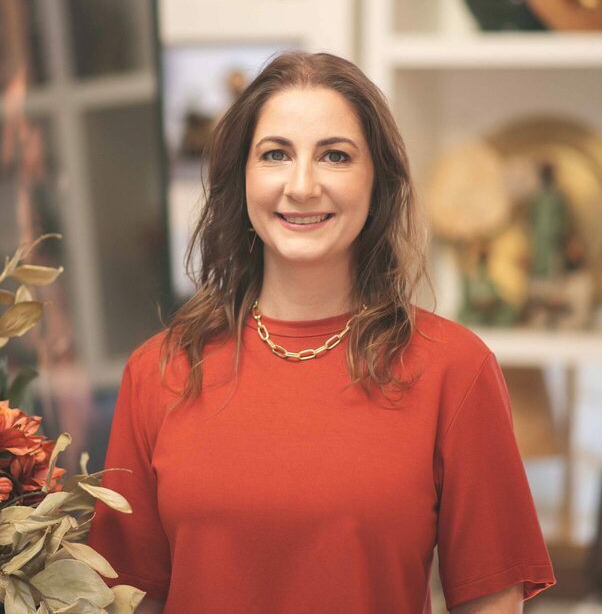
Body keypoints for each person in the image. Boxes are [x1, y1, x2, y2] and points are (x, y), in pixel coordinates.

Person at [87, 51, 556, 613]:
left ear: (377, 182)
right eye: (275, 154)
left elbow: (491, 601)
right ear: (241, 178)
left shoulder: (454, 369)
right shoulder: (159, 371)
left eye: (335, 156)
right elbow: (128, 600)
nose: (303, 185)